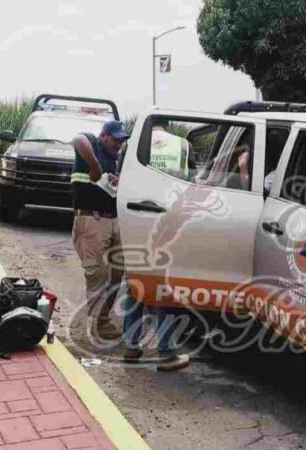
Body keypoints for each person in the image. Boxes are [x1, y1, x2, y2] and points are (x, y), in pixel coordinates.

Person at [120, 118, 192, 372]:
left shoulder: (132, 145)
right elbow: (192, 183)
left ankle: (131, 345)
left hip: (137, 219)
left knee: (135, 284)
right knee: (166, 289)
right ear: (169, 126)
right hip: (169, 223)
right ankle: (167, 351)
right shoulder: (182, 145)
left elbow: (121, 182)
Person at [70, 120, 131, 340]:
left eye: (121, 141)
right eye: (115, 139)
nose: (118, 144)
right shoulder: (92, 144)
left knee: (117, 272)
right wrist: (95, 166)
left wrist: (118, 180)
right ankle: (95, 326)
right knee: (97, 274)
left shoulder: (116, 158)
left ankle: (102, 320)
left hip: (113, 221)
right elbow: (78, 140)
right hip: (91, 219)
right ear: (103, 135)